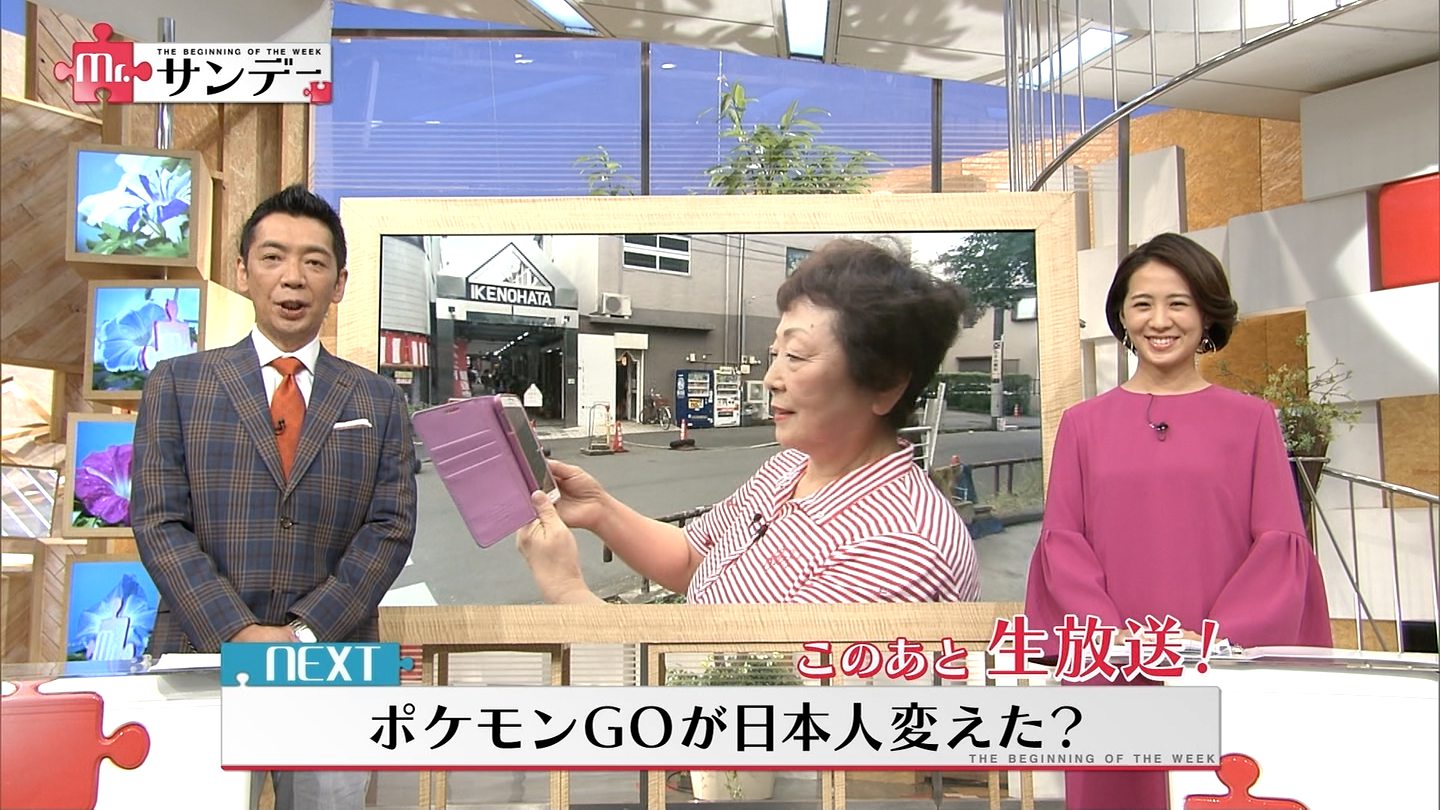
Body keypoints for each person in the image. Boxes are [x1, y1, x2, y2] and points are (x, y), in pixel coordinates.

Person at [131, 185, 417, 810]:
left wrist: (304, 634)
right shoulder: (177, 384)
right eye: (273, 257)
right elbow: (158, 520)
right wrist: (237, 631)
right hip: (201, 651)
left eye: (314, 261)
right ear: (243, 272)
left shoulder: (379, 399)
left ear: (339, 283)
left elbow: (391, 527)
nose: (293, 278)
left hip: (331, 661)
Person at [1024, 233, 1331, 810]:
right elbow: (1064, 544)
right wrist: (1111, 636)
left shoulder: (1252, 420)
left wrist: (1214, 636)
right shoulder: (1083, 425)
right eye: (1142, 304)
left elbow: (1278, 545)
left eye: (1178, 303)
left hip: (1219, 664)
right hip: (1112, 665)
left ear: (1206, 314)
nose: (1159, 321)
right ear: (1122, 315)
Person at [518, 238, 980, 605]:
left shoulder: (901, 553)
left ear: (886, 384)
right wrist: (599, 509)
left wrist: (566, 591)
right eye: (775, 353)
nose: (771, 378)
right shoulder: (789, 467)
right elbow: (691, 558)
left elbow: (731, 687)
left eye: (796, 356)